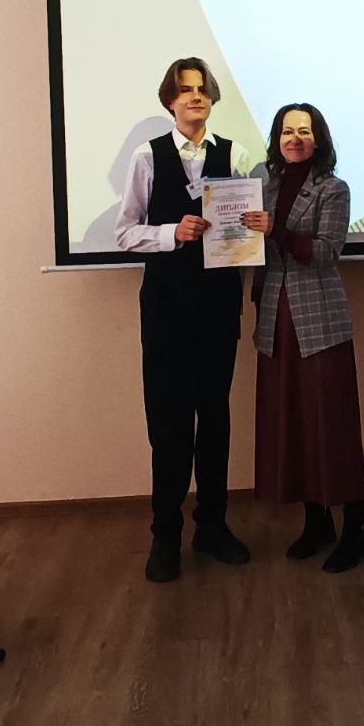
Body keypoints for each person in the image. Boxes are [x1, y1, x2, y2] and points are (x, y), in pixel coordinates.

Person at [114, 57, 252, 583]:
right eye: (185, 90)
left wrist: (254, 228)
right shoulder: (146, 157)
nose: (195, 96)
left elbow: (243, 233)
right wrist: (170, 233)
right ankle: (165, 533)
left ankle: (212, 526)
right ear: (169, 101)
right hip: (167, 308)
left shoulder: (235, 154)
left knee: (214, 418)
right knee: (169, 423)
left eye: (202, 89)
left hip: (218, 303)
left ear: (211, 98)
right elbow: (125, 232)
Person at [241, 104, 364, 573]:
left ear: (319, 140)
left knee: (332, 425)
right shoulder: (263, 185)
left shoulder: (334, 188)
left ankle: (357, 528)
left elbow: (326, 252)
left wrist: (275, 230)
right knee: (293, 423)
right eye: (287, 131)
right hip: (275, 320)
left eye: (304, 131)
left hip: (319, 323)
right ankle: (317, 523)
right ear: (276, 138)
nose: (294, 138)